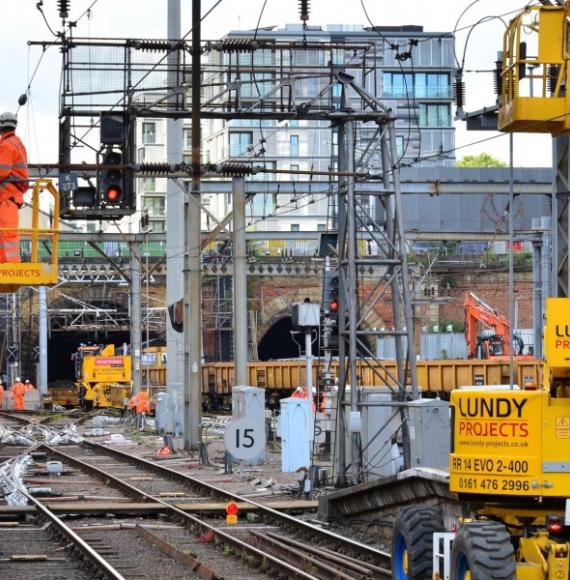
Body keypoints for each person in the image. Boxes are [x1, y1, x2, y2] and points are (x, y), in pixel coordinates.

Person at [0, 112, 28, 263]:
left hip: (7, 197)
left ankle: (10, 266)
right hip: (10, 197)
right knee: (4, 233)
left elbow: (1, 171)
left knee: (7, 233)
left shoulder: (6, 145)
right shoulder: (16, 142)